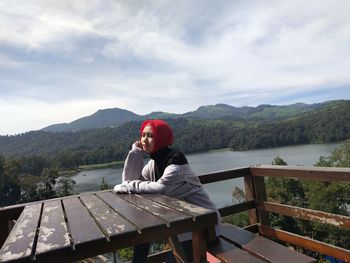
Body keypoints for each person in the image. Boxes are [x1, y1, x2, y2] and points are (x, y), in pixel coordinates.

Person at [113, 119, 221, 263]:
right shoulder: (153, 164)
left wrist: (128, 185)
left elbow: (161, 189)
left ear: (162, 138)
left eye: (150, 136)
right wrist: (135, 152)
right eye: (143, 135)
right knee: (143, 234)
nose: (145, 139)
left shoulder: (176, 161)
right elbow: (129, 180)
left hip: (204, 226)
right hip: (183, 226)